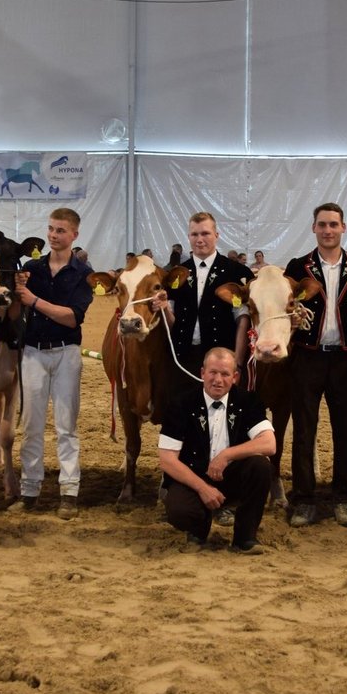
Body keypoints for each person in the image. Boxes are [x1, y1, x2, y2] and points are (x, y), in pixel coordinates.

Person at [283, 203, 347, 529]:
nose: (328, 230)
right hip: (306, 357)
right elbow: (284, 311)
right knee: (304, 431)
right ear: (314, 227)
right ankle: (303, 500)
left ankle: (345, 498)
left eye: (333, 224)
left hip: (346, 359)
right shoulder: (297, 267)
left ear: (343, 227)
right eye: (322, 224)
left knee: (346, 431)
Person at [10, 207, 93, 519]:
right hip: (32, 352)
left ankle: (69, 491)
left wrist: (33, 300)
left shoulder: (84, 274)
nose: (53, 235)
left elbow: (72, 317)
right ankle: (29, 490)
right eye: (51, 229)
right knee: (31, 425)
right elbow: (16, 312)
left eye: (60, 230)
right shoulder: (32, 269)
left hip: (66, 352)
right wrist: (16, 291)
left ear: (74, 234)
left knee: (66, 426)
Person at [158, 348, 276, 554]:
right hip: (194, 477)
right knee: (179, 511)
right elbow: (167, 459)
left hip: (232, 476)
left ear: (235, 377)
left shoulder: (248, 401)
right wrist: (203, 488)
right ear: (202, 373)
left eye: (225, 374)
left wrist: (227, 455)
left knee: (261, 466)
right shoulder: (180, 403)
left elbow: (269, 444)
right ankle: (198, 530)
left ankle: (245, 537)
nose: (218, 380)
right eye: (213, 372)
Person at [151, 212, 253, 389]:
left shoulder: (237, 272)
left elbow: (243, 320)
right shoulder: (177, 273)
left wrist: (237, 362)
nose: (199, 240)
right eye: (194, 234)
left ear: (216, 235)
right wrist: (164, 308)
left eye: (205, 233)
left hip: (222, 359)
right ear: (189, 237)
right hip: (183, 358)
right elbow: (172, 322)